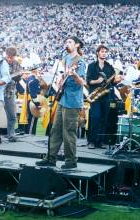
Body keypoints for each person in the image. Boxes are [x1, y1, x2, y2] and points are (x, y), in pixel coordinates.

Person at [36, 36, 86, 169]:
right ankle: (51, 158)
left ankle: (71, 160)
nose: (67, 44)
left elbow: (82, 82)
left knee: (68, 131)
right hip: (62, 98)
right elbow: (62, 75)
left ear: (77, 45)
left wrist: (74, 75)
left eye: (70, 42)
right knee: (55, 129)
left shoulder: (80, 61)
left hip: (73, 100)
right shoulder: (65, 59)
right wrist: (60, 79)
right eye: (66, 41)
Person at [86, 45, 119, 149]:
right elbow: (88, 81)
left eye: (105, 52)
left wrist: (117, 80)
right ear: (97, 53)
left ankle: (100, 141)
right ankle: (91, 141)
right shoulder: (91, 66)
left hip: (106, 96)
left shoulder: (109, 67)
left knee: (104, 119)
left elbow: (112, 82)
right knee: (95, 117)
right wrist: (97, 81)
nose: (104, 53)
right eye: (102, 51)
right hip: (95, 95)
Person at [4, 47, 22, 142]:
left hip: (10, 93)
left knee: (12, 115)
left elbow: (18, 79)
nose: (10, 59)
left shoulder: (17, 64)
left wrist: (19, 76)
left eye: (12, 57)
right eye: (8, 57)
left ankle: (11, 135)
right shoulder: (1, 63)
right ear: (5, 55)